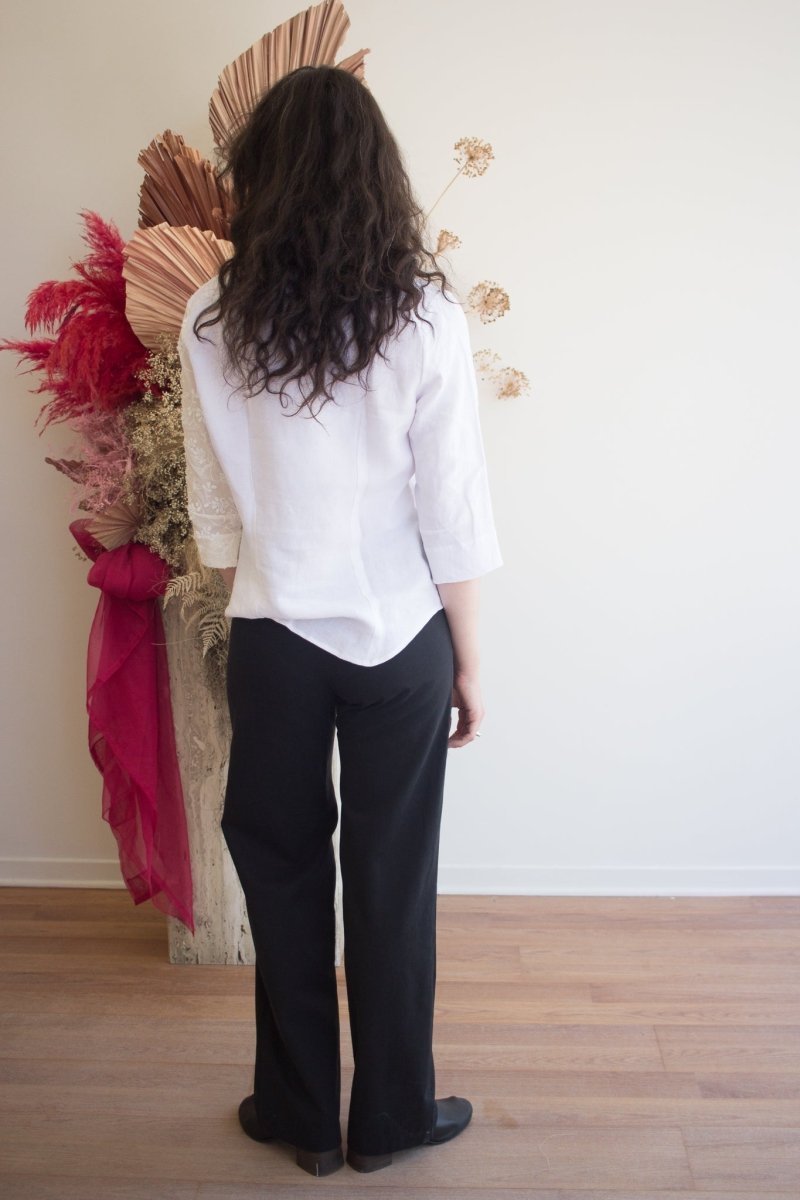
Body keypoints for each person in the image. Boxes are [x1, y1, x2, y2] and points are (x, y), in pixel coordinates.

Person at [177, 63, 503, 1178]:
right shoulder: (426, 315)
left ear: (260, 175)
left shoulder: (210, 316)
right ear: (376, 175)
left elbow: (215, 509)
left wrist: (260, 598)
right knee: (392, 876)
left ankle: (300, 1114)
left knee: (279, 869)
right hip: (400, 638)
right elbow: (451, 509)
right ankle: (393, 1117)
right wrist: (469, 663)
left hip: (272, 634)